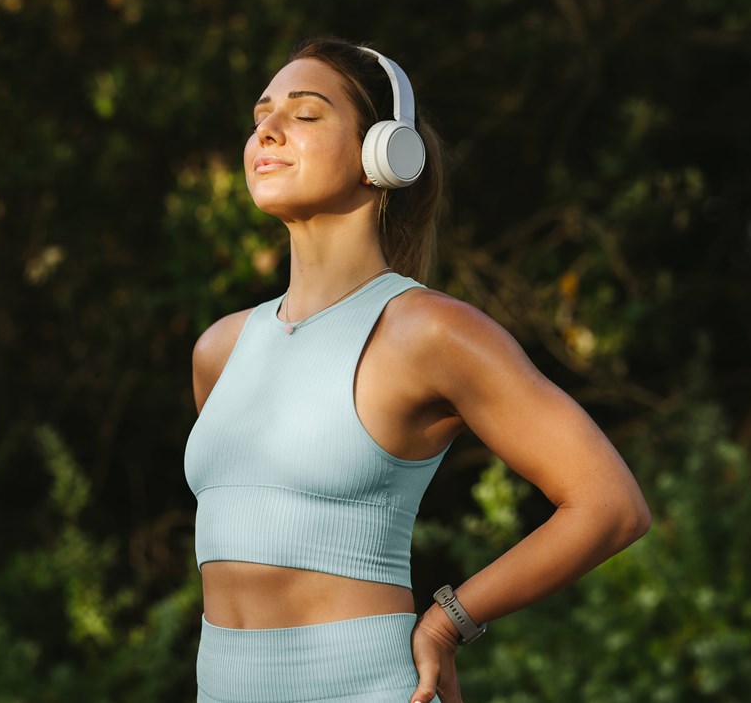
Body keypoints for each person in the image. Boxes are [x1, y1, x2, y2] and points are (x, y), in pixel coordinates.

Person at [184, 37, 651, 703]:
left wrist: (448, 620)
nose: (268, 129)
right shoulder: (219, 350)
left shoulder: (429, 332)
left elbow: (610, 505)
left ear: (384, 152)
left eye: (305, 113)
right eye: (261, 116)